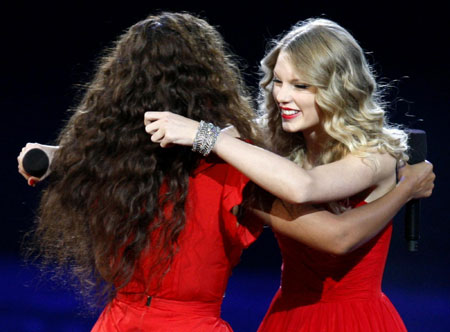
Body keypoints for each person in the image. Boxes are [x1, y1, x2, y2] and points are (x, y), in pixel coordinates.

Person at [142, 18, 434, 331]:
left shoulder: (376, 154)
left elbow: (307, 191)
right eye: (278, 81)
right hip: (288, 316)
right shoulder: (277, 145)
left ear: (338, 89)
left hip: (353, 319)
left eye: (300, 85)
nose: (281, 96)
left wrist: (207, 136)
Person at [19, 12, 264, 331]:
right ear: (211, 81)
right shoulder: (233, 164)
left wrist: (60, 155)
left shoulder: (107, 162)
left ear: (123, 84)